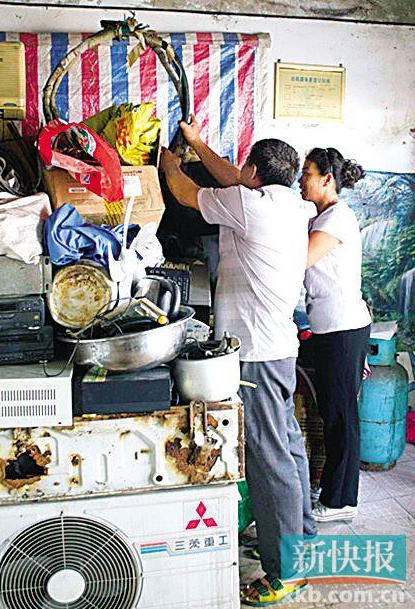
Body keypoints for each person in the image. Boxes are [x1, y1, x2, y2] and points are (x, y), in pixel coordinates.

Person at [161, 117, 316, 607]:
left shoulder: (250, 205)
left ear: (253, 173)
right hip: (279, 350)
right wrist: (199, 143)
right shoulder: (291, 204)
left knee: (269, 461)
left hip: (254, 355)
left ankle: (285, 571)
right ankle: (302, 540)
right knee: (288, 447)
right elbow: (234, 177)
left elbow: (185, 193)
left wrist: (169, 161)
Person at [299, 147, 371, 523]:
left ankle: (341, 500)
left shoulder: (337, 217)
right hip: (332, 328)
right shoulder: (322, 215)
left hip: (344, 329)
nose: (301, 180)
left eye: (307, 173)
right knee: (333, 414)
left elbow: (300, 259)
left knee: (341, 417)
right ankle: (333, 488)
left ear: (327, 179)